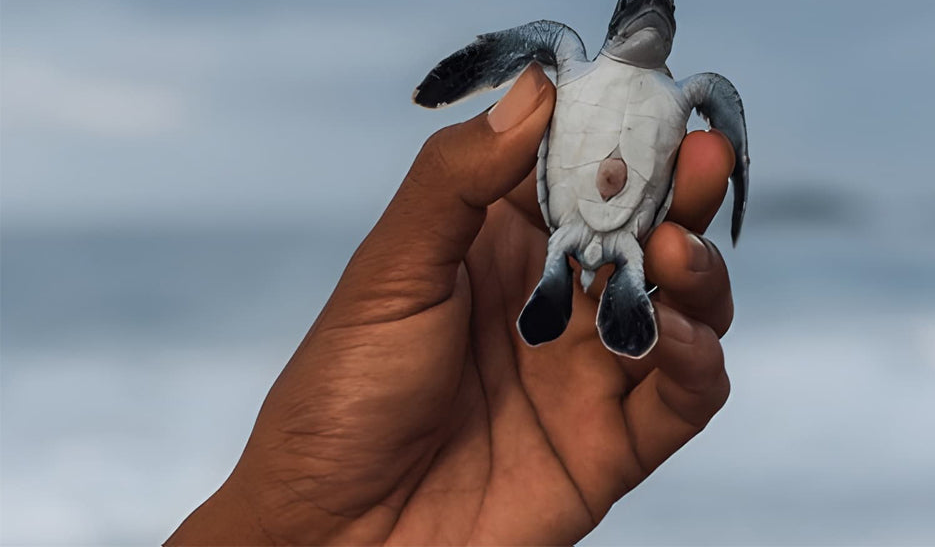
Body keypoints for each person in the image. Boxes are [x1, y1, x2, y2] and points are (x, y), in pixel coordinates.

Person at [166, 66, 736, 545]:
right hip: (563, 228)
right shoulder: (577, 61)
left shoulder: (684, 87)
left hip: (607, 230)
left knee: (642, 259)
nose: (652, 16)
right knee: (594, 254)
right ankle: (579, 283)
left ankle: (606, 285)